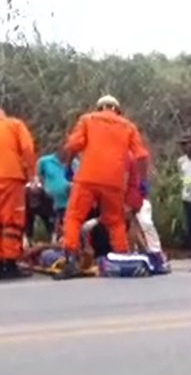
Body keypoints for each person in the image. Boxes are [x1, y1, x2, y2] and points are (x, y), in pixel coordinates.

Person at [57, 95, 150, 279]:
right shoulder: (127, 126)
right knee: (115, 221)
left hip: (87, 178)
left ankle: (71, 261)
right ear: (117, 109)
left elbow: (73, 145)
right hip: (114, 182)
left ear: (99, 108)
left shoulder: (87, 120)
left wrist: (68, 167)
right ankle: (123, 259)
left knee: (74, 217)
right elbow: (141, 156)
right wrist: (141, 182)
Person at [0, 108, 37, 280]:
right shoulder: (14, 125)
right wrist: (32, 174)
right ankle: (9, 262)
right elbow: (27, 148)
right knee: (12, 221)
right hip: (10, 177)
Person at [36, 150, 72, 241]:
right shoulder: (45, 161)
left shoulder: (75, 163)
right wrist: (42, 186)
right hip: (49, 201)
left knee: (64, 226)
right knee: (51, 224)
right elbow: (38, 176)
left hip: (67, 202)